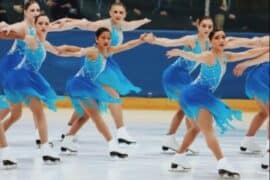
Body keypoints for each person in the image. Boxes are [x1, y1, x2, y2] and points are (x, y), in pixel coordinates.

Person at [166, 29, 268, 178]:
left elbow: (247, 54)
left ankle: (178, 158)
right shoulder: (209, 55)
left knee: (195, 129)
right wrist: (181, 53)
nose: (221, 40)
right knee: (208, 130)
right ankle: (222, 163)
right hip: (196, 94)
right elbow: (196, 56)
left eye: (223, 37)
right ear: (211, 42)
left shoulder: (225, 56)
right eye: (217, 38)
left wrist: (265, 48)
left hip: (193, 94)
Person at [53, 2, 151, 145]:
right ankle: (121, 132)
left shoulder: (122, 26)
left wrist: (144, 21)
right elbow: (85, 25)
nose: (118, 15)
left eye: (121, 13)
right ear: (110, 13)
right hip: (99, 63)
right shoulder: (104, 25)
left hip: (105, 62)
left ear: (124, 15)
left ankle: (67, 132)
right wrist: (69, 22)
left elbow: (131, 28)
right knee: (113, 94)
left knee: (87, 99)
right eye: (115, 12)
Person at [0, 13, 87, 165]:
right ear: (35, 25)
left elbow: (60, 50)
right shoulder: (31, 39)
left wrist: (82, 51)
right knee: (39, 113)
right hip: (23, 79)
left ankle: (6, 152)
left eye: (47, 24)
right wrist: (5, 27)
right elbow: (11, 34)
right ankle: (45, 149)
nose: (44, 26)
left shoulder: (43, 43)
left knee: (16, 114)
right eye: (41, 24)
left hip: (17, 80)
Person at [60, 28, 153, 158]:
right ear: (96, 39)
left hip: (90, 85)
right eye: (103, 38)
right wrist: (64, 50)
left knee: (85, 117)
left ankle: (67, 140)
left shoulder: (108, 51)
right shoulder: (93, 51)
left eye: (108, 38)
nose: (106, 40)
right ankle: (112, 145)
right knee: (96, 117)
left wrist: (141, 40)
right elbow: (80, 52)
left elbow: (127, 46)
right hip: (81, 86)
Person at [148, 16, 213, 155]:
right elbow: (170, 42)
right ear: (198, 26)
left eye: (209, 27)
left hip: (183, 76)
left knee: (184, 109)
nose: (206, 29)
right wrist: (155, 40)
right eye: (204, 26)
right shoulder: (191, 40)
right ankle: (185, 142)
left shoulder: (209, 44)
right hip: (175, 74)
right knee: (189, 108)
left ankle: (170, 139)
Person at [233, 36, 269, 170]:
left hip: (255, 78)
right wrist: (245, 63)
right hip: (263, 78)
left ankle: (248, 141)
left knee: (264, 113)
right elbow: (263, 55)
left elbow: (247, 43)